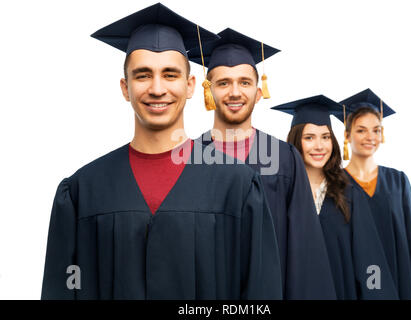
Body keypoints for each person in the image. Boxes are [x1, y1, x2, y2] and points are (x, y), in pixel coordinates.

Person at [41, 3, 282, 300]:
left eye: (170, 75)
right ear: (125, 87)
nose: (157, 89)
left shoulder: (238, 186)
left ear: (191, 85)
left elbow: (260, 294)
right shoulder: (82, 191)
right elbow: (65, 286)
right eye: (143, 75)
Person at [189, 28, 336, 299]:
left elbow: (305, 252)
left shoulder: (285, 158)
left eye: (244, 82)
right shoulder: (188, 158)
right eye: (223, 83)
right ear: (207, 92)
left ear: (258, 92)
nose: (235, 92)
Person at [272, 94, 399, 299]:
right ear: (296, 142)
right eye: (309, 137)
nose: (320, 146)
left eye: (325, 137)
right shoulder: (279, 193)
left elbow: (369, 258)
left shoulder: (349, 192)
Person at [333, 88, 411, 299]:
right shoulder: (334, 184)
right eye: (361, 130)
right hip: (352, 288)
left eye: (376, 130)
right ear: (347, 135)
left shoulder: (398, 181)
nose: (370, 137)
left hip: (396, 283)